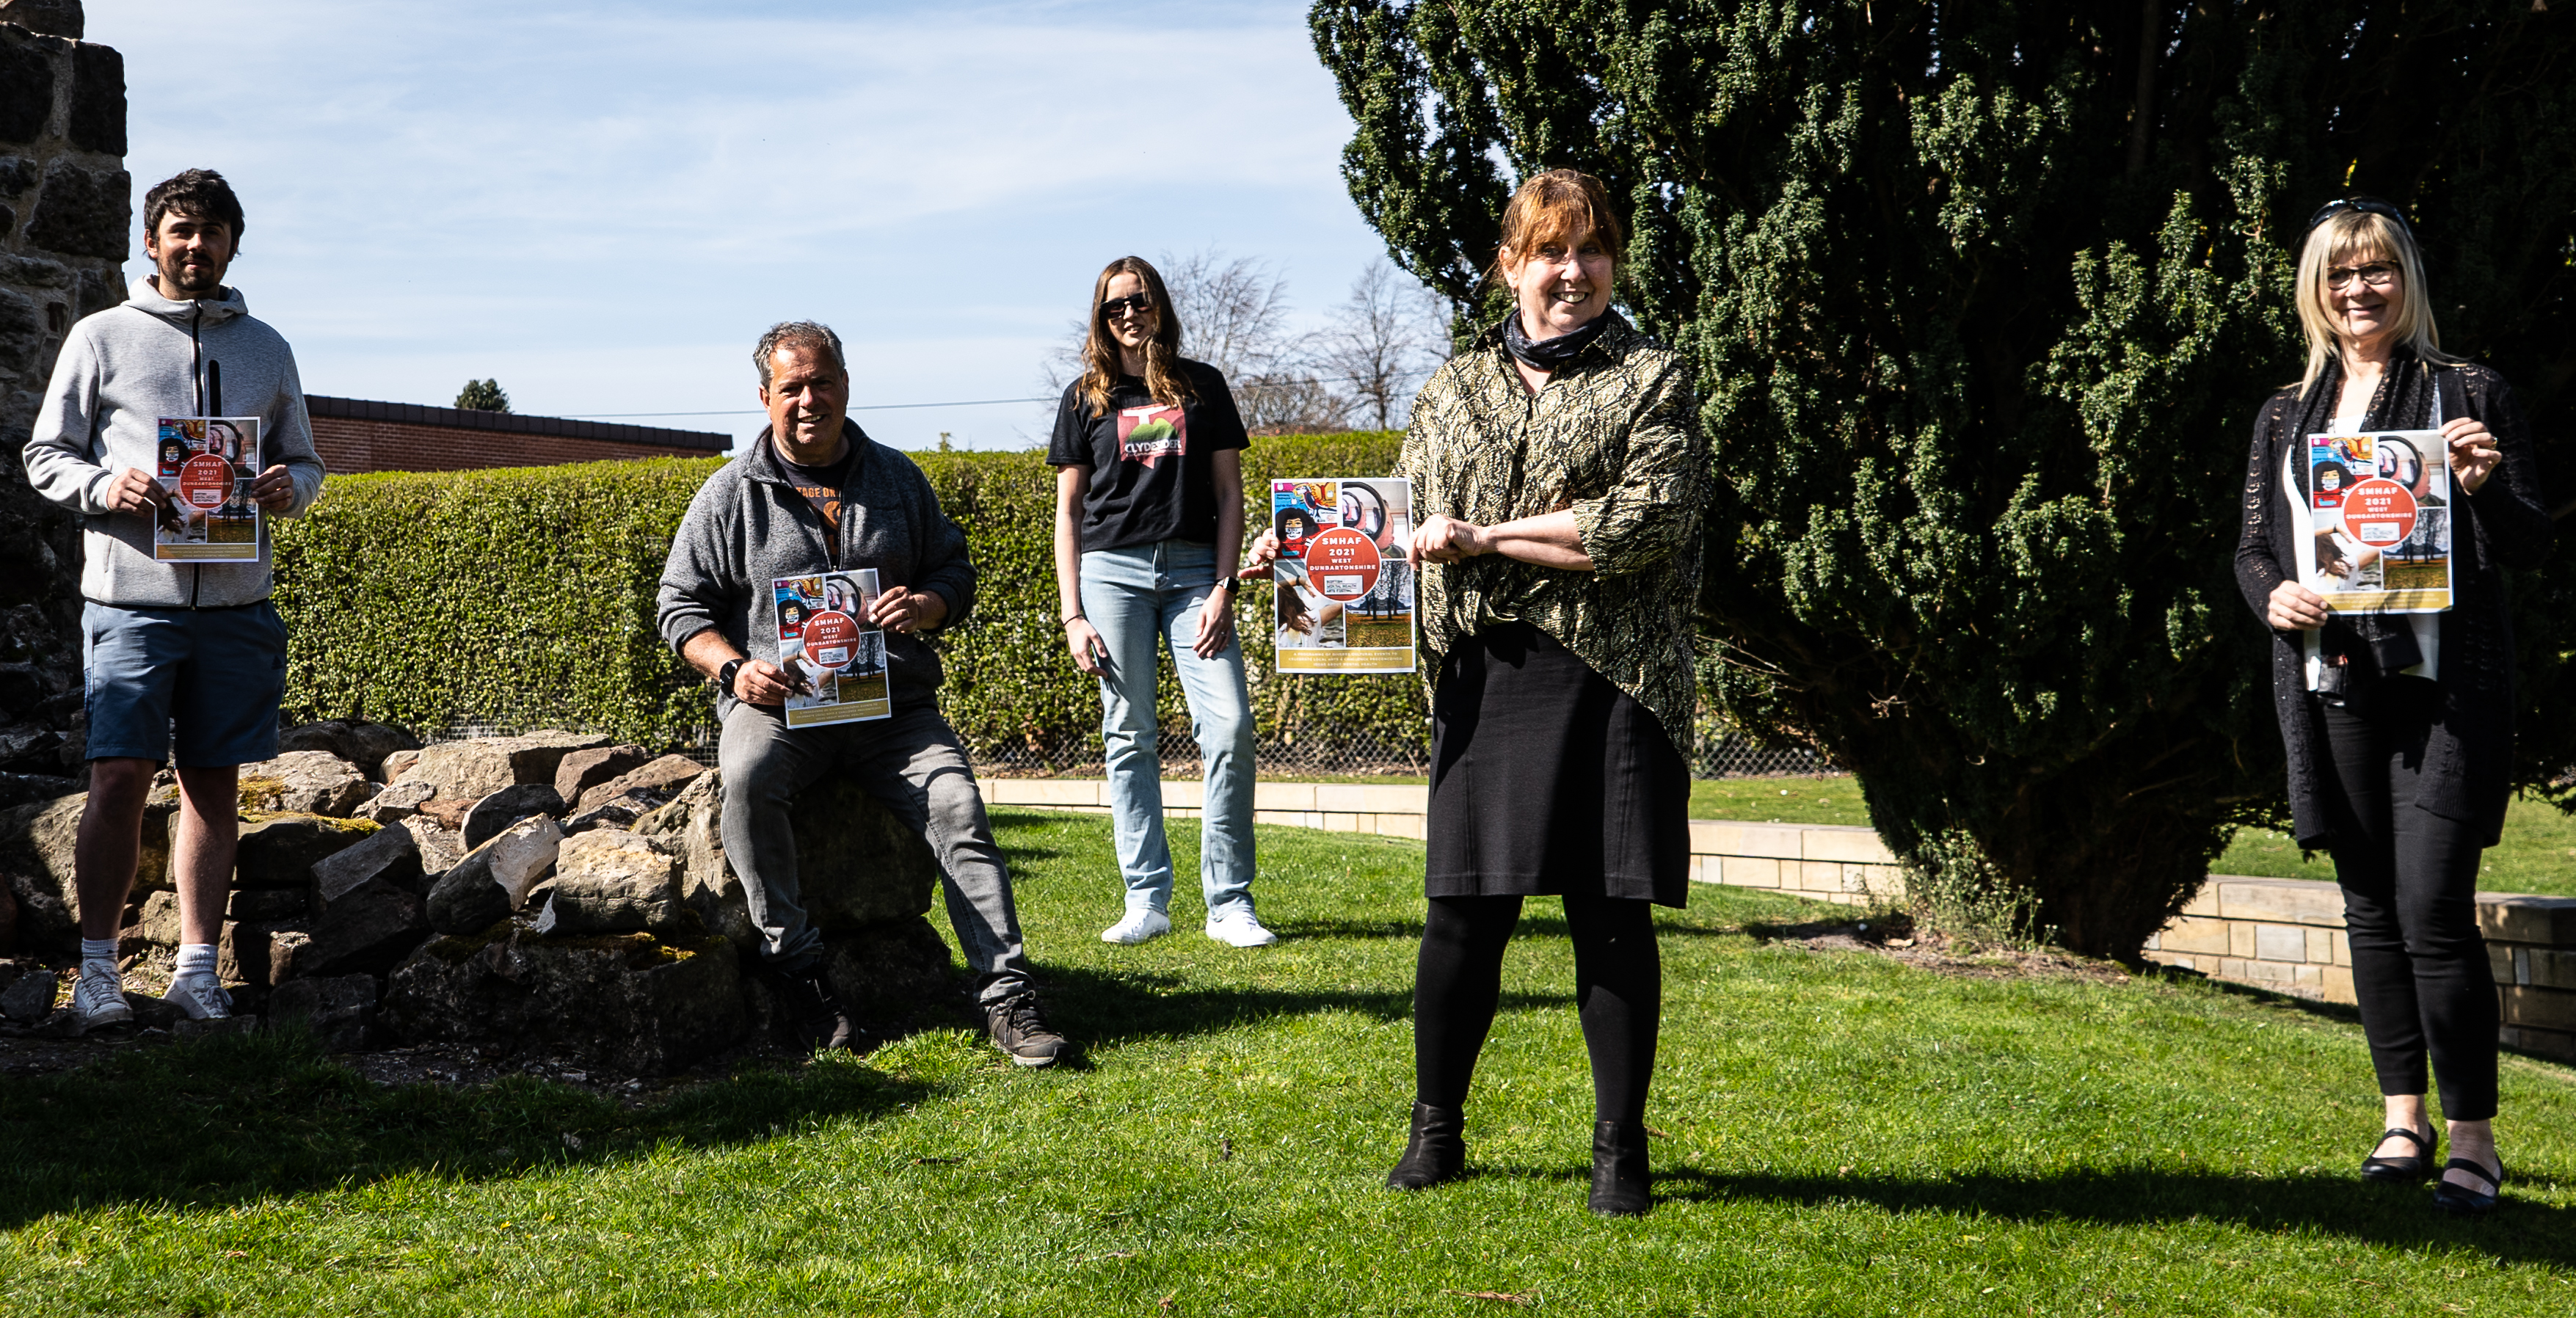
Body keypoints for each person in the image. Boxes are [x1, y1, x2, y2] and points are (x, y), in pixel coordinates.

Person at [1380, 169, 1705, 1217]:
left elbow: (1648, 520)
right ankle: (1436, 1133)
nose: (1572, 271)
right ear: (1510, 264)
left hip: (1613, 679)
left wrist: (1486, 540)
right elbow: (1404, 526)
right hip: (1486, 677)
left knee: (1609, 917)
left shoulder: (1653, 378)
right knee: (1460, 921)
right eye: (1549, 251)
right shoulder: (1450, 389)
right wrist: (1296, 551)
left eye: (1592, 248)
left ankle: (1620, 1152)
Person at [2234, 196, 2550, 1215]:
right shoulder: (2286, 412)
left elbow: (2527, 541)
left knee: (2430, 912)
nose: (2356, 290)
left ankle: (2473, 1142)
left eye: (2374, 271)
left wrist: (2483, 485)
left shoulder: (2467, 392)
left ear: (2404, 279)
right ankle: (2398, 1121)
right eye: (2337, 274)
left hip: (2444, 691)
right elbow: (2251, 546)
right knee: (2368, 911)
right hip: (2332, 683)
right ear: (2313, 291)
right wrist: (2267, 596)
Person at [658, 321, 1066, 1066]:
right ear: (765, 397)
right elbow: (679, 607)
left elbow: (956, 571)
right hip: (778, 710)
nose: (809, 399)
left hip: (895, 713)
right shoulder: (728, 495)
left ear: (845, 385)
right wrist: (733, 668)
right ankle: (803, 975)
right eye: (792, 387)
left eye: (822, 382)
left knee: (958, 805)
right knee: (745, 780)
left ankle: (1007, 998)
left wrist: (928, 606)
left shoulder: (898, 479)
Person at [21, 169, 327, 1027]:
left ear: (234, 244)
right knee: (118, 776)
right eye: (180, 230)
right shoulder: (100, 337)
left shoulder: (269, 347)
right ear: (150, 243)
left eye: (212, 231)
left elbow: (308, 461)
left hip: (237, 605)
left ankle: (197, 969)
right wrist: (104, 486)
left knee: (212, 785)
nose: (196, 245)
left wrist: (286, 488)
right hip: (131, 601)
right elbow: (46, 456)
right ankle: (96, 970)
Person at [1048, 257, 1273, 948]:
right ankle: (1146, 898)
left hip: (1195, 573)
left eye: (1139, 300)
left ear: (1160, 307)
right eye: (1114, 305)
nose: (1128, 313)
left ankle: (1229, 904)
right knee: (1128, 736)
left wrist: (1224, 586)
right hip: (1111, 575)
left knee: (1230, 727)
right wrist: (1073, 613)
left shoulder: (1201, 386)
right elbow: (1069, 513)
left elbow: (1231, 495)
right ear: (1100, 316)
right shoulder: (1084, 397)